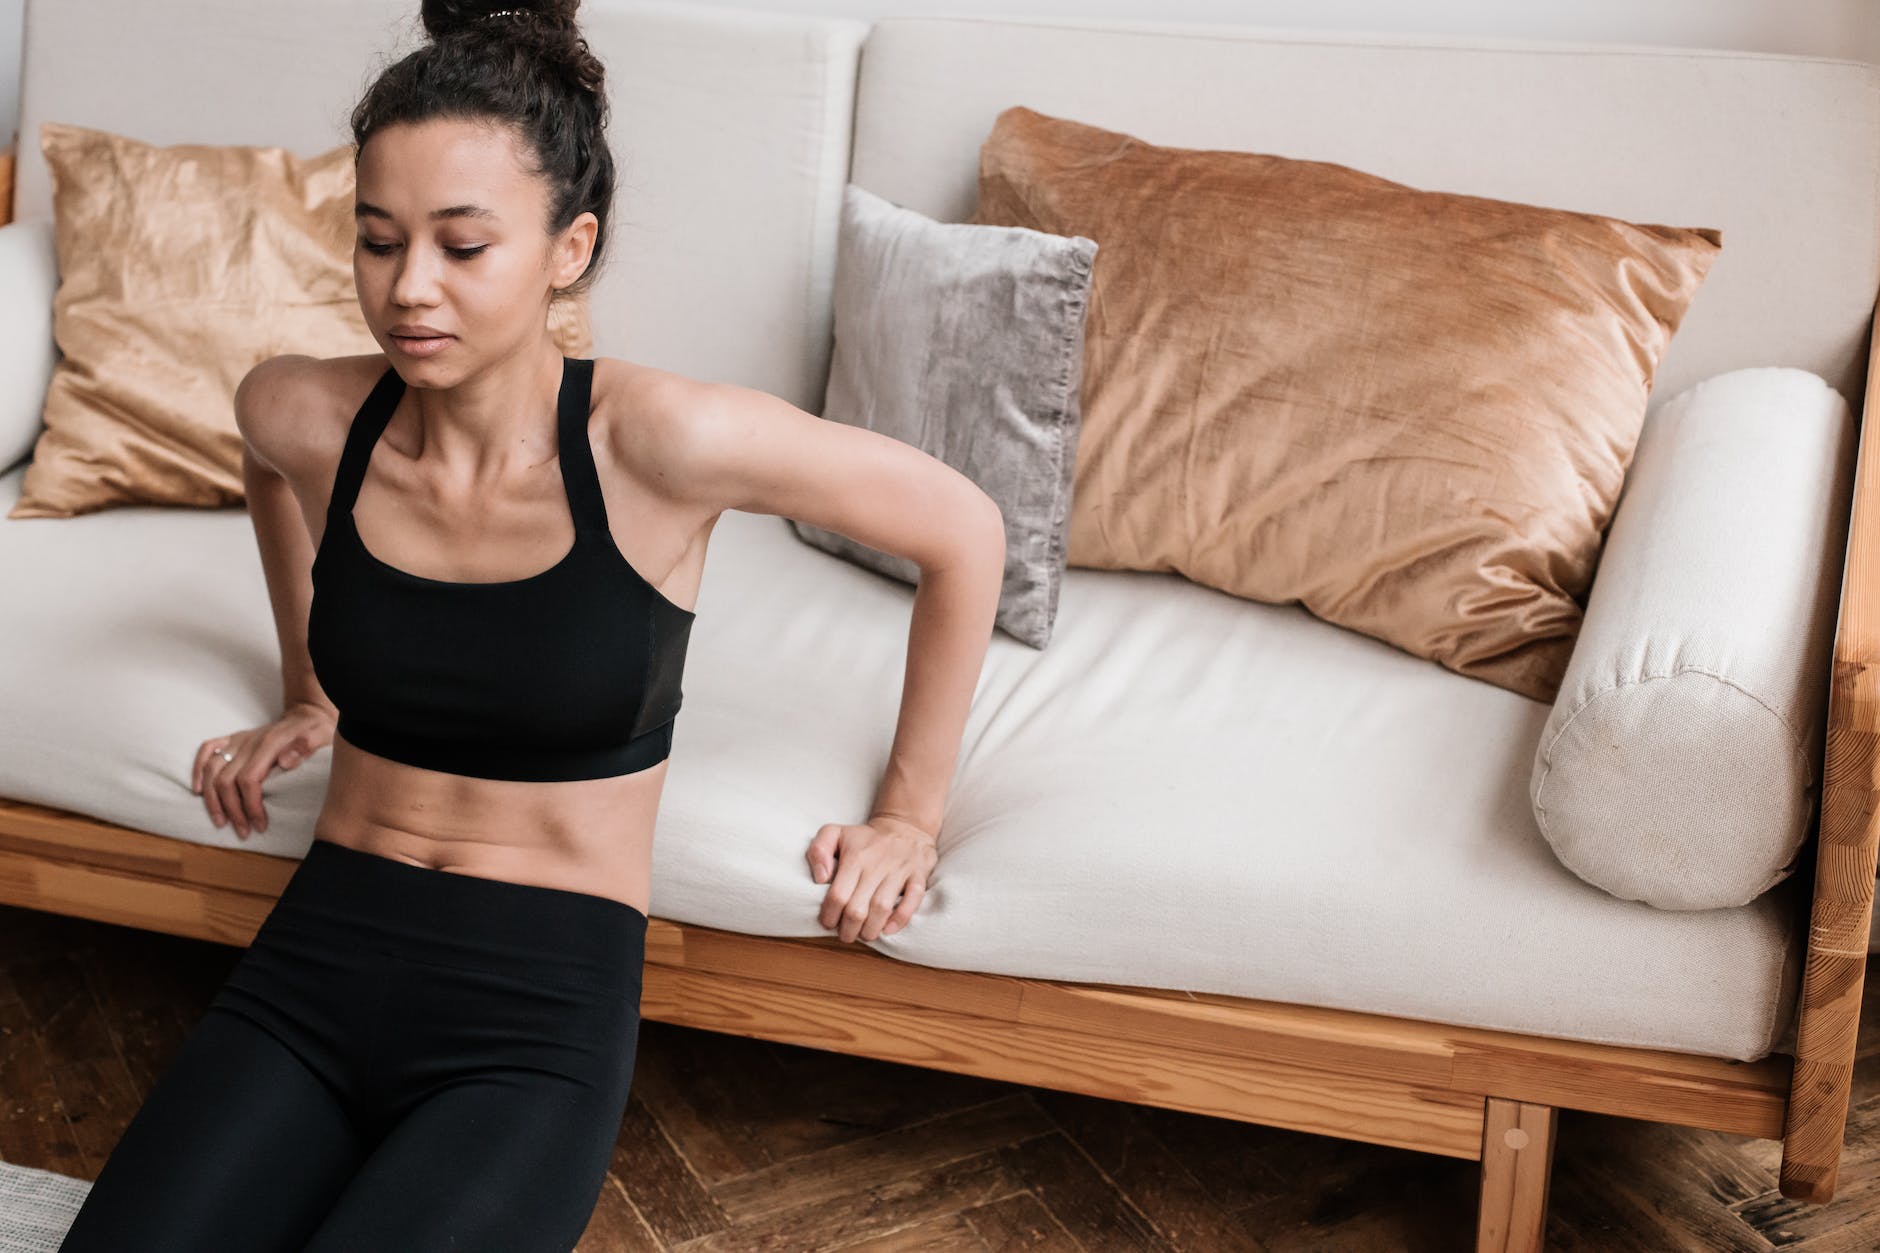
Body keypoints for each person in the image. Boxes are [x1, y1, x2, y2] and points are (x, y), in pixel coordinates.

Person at [55, 2, 1006, 1249]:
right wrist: (310, 686)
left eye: (462, 246)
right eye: (378, 240)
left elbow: (961, 529)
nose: (409, 289)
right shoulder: (309, 414)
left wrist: (909, 813)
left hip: (536, 1012)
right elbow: (259, 456)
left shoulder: (661, 442)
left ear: (569, 247)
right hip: (318, 962)